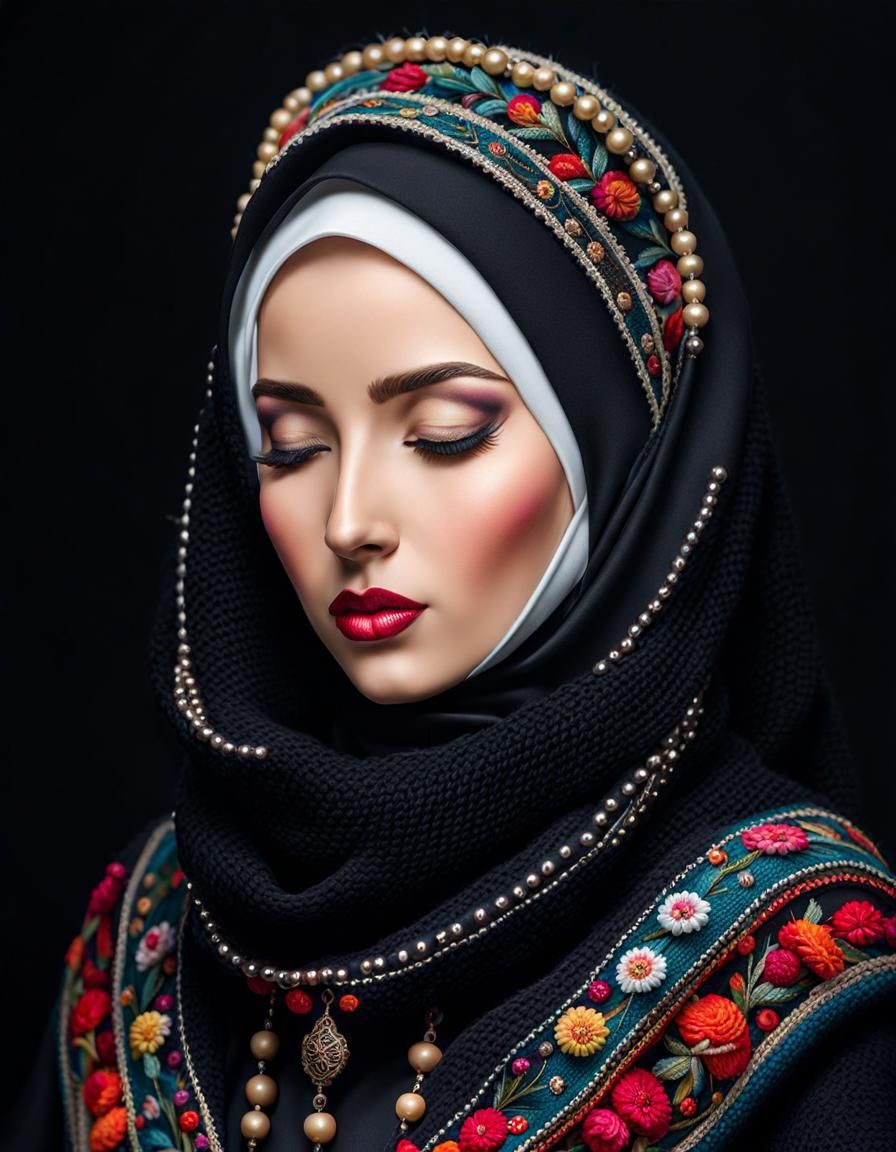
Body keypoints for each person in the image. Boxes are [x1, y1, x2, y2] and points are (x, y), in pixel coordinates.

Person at [25, 29, 896, 1152]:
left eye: (444, 432)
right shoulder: (154, 921)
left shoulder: (800, 956)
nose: (350, 522)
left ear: (621, 456)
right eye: (289, 445)